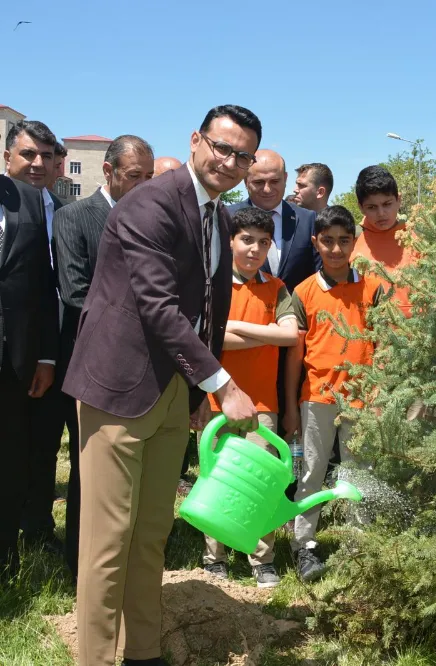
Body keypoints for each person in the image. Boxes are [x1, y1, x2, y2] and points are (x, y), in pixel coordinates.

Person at [63, 105, 262, 666]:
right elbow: (159, 307)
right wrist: (224, 386)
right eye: (222, 147)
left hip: (173, 390)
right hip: (117, 388)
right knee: (107, 543)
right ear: (196, 141)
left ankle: (142, 650)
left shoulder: (220, 216)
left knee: (150, 533)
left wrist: (198, 390)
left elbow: (209, 314)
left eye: (241, 155)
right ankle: (96, 658)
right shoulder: (148, 204)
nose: (230, 161)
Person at [52, 134, 155, 578]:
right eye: (136, 177)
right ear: (109, 172)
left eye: (150, 177)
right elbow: (76, 291)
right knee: (88, 464)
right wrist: (149, 309)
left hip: (145, 366)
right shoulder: (75, 217)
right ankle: (82, 560)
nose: (145, 186)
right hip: (92, 361)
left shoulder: (154, 221)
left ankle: (127, 558)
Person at [283, 205, 382, 582]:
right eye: (328, 241)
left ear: (354, 242)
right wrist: (293, 405)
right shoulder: (305, 291)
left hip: (363, 397)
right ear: (316, 243)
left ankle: (359, 545)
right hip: (317, 398)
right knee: (311, 472)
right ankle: (304, 546)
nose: (336, 249)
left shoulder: (372, 287)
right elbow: (295, 355)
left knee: (360, 472)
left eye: (344, 241)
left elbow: (384, 343)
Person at [200, 207, 298, 588]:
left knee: (260, 482)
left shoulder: (277, 288)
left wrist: (234, 327)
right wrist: (264, 330)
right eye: (246, 240)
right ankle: (215, 555)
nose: (255, 249)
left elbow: (291, 336)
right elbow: (207, 339)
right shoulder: (213, 284)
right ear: (230, 241)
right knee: (217, 478)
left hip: (262, 405)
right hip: (216, 400)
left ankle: (261, 558)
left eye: (263, 241)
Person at [4, 119, 66, 553]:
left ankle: (37, 525)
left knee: (43, 442)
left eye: (46, 155)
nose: (37, 163)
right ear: (8, 155)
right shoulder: (10, 206)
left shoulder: (65, 213)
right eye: (28, 154)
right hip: (11, 348)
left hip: (52, 347)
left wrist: (48, 354)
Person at [0, 173, 56, 581]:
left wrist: (46, 357)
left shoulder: (29, 201)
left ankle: (4, 560)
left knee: (10, 459)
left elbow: (43, 286)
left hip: (14, 359)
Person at [228, 149, 318, 293]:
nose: (267, 189)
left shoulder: (308, 220)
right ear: (245, 181)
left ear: (286, 178)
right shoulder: (226, 217)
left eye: (275, 181)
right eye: (259, 182)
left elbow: (317, 274)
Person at [353, 165, 414, 316]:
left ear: (398, 200)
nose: (381, 213)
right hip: (365, 333)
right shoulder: (351, 241)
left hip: (415, 335)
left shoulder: (417, 239)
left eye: (387, 204)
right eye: (372, 207)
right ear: (361, 207)